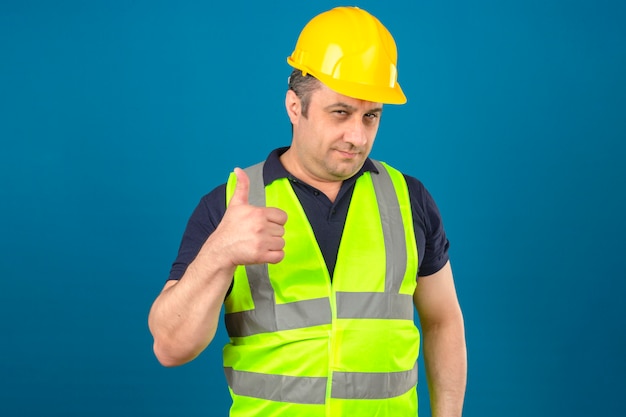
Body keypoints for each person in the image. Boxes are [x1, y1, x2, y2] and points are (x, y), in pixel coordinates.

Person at [149, 6, 466, 417]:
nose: (357, 136)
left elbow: (443, 321)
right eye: (340, 113)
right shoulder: (230, 206)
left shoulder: (410, 199)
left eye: (371, 116)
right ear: (295, 107)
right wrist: (220, 254)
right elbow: (170, 347)